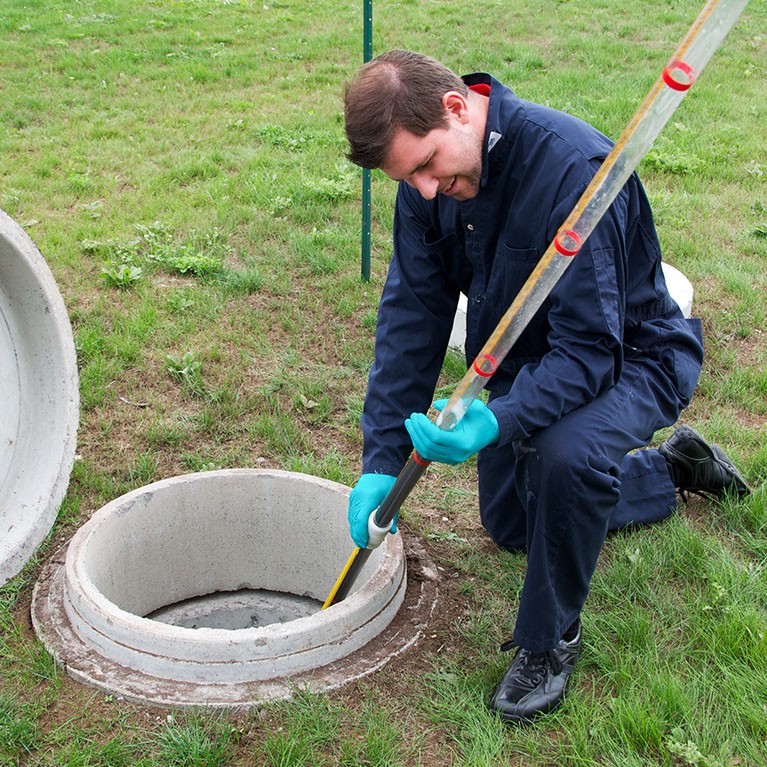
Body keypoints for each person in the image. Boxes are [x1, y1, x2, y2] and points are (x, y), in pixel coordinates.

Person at [342, 50, 750, 723]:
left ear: (455, 108)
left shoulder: (571, 170)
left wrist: (496, 421)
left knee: (568, 454)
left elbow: (589, 351)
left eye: (422, 166)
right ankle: (671, 465)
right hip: (520, 361)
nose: (418, 188)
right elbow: (411, 321)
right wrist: (381, 462)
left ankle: (548, 639)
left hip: (629, 354)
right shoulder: (427, 190)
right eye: (403, 176)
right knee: (511, 526)